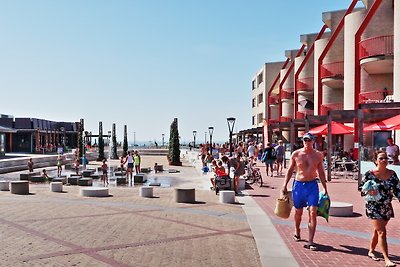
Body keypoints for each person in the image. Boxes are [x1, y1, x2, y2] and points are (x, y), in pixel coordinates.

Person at [282, 132, 328, 251]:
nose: (307, 142)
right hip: (299, 185)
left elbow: (321, 172)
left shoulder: (318, 155)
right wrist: (284, 185)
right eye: (305, 140)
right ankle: (297, 231)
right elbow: (290, 170)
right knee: (298, 212)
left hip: (312, 185)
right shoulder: (296, 154)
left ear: (313, 141)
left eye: (309, 140)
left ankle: (311, 241)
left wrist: (325, 188)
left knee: (313, 212)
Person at [359, 150, 399, 266]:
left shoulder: (392, 174)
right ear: (375, 161)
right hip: (373, 206)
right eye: (381, 158)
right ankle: (387, 259)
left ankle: (371, 251)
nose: (384, 160)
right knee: (382, 232)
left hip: (386, 206)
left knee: (377, 231)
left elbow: (398, 190)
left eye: (385, 158)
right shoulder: (369, 174)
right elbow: (361, 189)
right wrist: (368, 191)